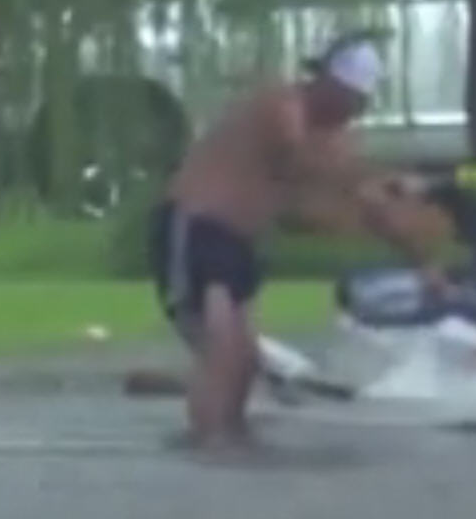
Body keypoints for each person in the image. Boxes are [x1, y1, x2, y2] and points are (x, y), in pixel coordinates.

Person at [149, 32, 446, 447]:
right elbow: (301, 161)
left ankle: (230, 445)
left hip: (241, 244)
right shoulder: (283, 106)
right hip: (197, 227)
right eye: (348, 100)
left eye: (360, 103)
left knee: (246, 361)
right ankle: (209, 447)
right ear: (324, 84)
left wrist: (423, 263)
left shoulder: (335, 140)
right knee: (222, 349)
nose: (353, 112)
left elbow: (364, 206)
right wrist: (376, 179)